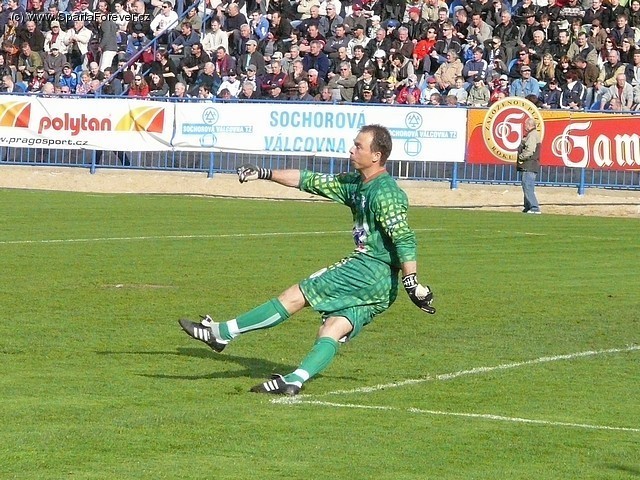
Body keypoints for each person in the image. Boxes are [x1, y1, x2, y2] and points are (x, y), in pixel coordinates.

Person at [178, 124, 436, 396]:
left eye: (358, 146)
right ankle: (295, 380)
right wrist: (265, 173)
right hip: (382, 287)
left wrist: (412, 282)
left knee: (297, 295)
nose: (351, 149)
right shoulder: (356, 184)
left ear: (376, 155)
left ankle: (222, 332)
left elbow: (404, 237)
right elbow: (309, 180)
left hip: (368, 268)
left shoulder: (385, 192)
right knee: (332, 328)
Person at [517, 117, 542, 214]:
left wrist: (521, 157)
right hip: (530, 165)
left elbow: (530, 150)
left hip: (529, 165)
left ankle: (534, 207)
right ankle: (528, 207)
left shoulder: (532, 135)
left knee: (527, 186)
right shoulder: (533, 134)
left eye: (525, 124)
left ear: (529, 125)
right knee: (527, 186)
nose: (524, 126)